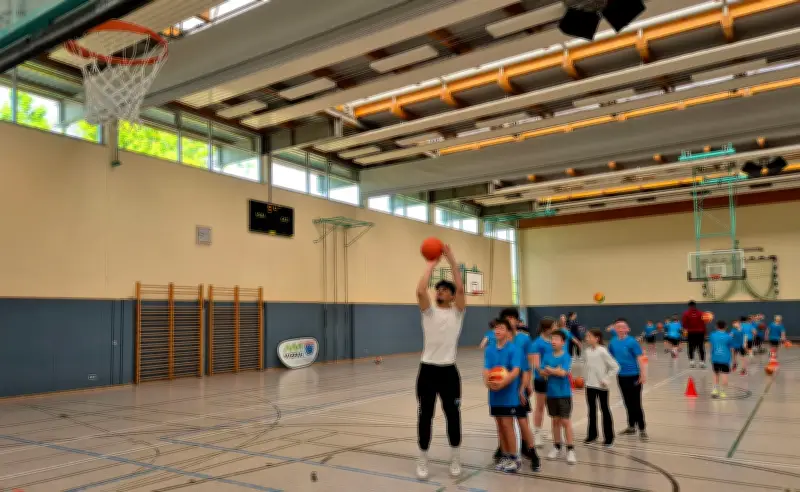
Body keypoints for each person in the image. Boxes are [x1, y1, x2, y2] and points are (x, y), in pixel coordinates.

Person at [415, 244, 465, 480]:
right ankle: (422, 458)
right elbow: (420, 290)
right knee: (425, 415)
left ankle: (455, 457)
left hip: (448, 373)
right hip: (427, 372)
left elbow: (462, 288)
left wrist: (451, 260)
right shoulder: (429, 312)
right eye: (439, 289)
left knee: (452, 415)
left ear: (453, 296)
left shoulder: (458, 313)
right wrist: (431, 265)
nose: (441, 291)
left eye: (446, 290)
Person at [493, 308, 540, 471]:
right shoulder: (497, 339)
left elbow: (528, 365)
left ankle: (532, 452)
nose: (510, 321)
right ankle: (504, 450)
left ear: (517, 321)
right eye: (507, 318)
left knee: (522, 421)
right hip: (502, 387)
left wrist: (527, 384)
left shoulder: (524, 340)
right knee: (503, 422)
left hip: (519, 386)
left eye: (513, 318)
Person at [483, 319, 523, 473]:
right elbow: (486, 369)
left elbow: (515, 371)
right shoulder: (489, 349)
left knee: (508, 426)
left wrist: (503, 382)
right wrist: (487, 382)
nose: (497, 330)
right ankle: (506, 455)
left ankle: (515, 458)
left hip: (508, 394)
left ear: (507, 332)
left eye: (501, 328)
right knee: (499, 426)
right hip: (494, 394)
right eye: (496, 328)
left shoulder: (514, 349)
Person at [609, 319, 648, 441]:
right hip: (621, 376)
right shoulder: (613, 342)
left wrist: (643, 374)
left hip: (634, 375)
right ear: (615, 329)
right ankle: (631, 426)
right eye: (618, 327)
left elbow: (640, 358)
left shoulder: (632, 342)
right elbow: (610, 358)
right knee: (627, 401)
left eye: (623, 327)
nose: (620, 329)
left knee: (636, 403)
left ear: (627, 329)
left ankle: (642, 428)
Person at [540, 331, 576, 464]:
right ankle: (556, 446)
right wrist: (555, 370)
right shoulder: (547, 355)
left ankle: (570, 449)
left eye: (556, 339)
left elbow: (563, 373)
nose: (553, 341)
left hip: (564, 393)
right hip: (551, 394)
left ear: (563, 342)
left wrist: (551, 370)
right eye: (552, 338)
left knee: (565, 422)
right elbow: (542, 371)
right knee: (555, 421)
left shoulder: (566, 356)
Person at [583, 328, 619, 447]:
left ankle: (609, 437)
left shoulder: (602, 351)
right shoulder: (587, 351)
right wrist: (586, 379)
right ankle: (592, 435)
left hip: (601, 387)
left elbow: (615, 367)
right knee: (591, 411)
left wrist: (606, 379)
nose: (587, 338)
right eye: (587, 336)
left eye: (589, 336)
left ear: (597, 338)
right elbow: (588, 367)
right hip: (590, 386)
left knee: (605, 410)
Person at [531, 318, 555, 448]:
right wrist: (546, 372)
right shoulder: (537, 344)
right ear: (547, 329)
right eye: (554, 326)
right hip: (542, 380)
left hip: (555, 381)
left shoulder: (554, 341)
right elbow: (537, 365)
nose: (556, 328)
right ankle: (537, 434)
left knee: (554, 408)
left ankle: (554, 433)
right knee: (540, 407)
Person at [709, 320, 733, 398]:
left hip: (715, 357)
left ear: (716, 326)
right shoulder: (728, 336)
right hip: (725, 358)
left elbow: (711, 345)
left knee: (716, 374)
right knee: (725, 376)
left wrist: (711, 355)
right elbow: (731, 348)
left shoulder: (712, 335)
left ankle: (715, 390)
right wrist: (733, 359)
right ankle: (723, 392)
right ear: (726, 327)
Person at [682, 301, 707, 368]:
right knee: (701, 347)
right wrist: (705, 333)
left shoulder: (686, 313)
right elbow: (704, 324)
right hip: (700, 333)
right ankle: (702, 362)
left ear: (689, 306)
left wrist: (685, 331)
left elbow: (684, 324)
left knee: (690, 347)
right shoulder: (701, 313)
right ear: (695, 305)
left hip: (691, 333)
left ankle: (692, 362)